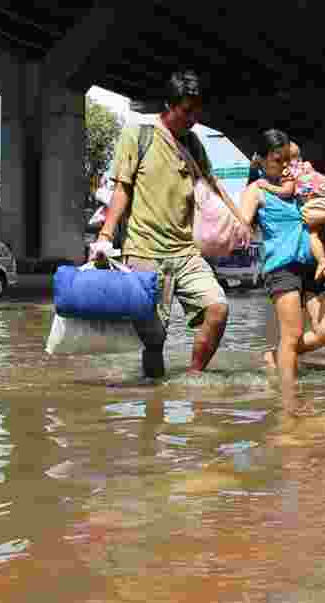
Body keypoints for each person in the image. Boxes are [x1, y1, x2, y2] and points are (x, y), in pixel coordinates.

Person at [91, 69, 239, 379]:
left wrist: (238, 219)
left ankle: (193, 377)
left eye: (197, 110)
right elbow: (122, 189)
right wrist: (105, 236)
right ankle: (153, 409)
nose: (193, 118)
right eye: (187, 111)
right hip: (144, 253)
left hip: (186, 253)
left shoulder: (194, 144)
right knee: (155, 341)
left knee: (217, 308)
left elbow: (210, 184)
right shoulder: (138, 135)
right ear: (168, 105)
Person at [236, 129, 325, 388]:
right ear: (260, 160)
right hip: (281, 268)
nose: (285, 166)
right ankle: (289, 400)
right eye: (277, 160)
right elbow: (241, 225)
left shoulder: (301, 185)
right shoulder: (256, 191)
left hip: (312, 265)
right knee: (291, 335)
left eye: (288, 160)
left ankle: (277, 355)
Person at [254, 141, 325, 282]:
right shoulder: (307, 166)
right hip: (323, 200)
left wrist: (267, 186)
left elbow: (287, 191)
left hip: (312, 203)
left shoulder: (289, 171)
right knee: (320, 230)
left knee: (312, 234)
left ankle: (322, 260)